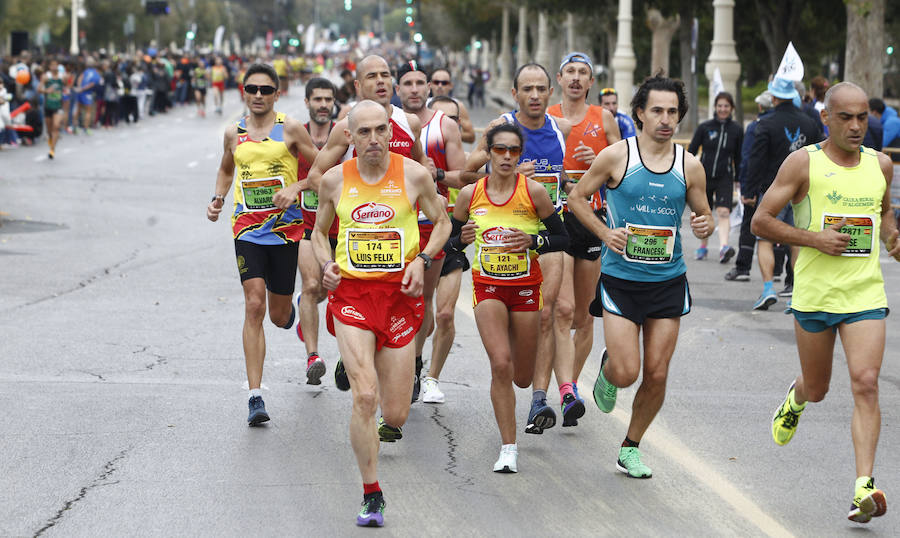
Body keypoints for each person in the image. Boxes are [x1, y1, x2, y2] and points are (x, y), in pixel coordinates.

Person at [752, 81, 900, 524]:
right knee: (818, 389)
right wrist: (813, 238)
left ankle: (863, 486)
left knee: (866, 382)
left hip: (864, 294)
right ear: (826, 118)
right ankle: (796, 400)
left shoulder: (882, 164)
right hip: (815, 295)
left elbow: (885, 211)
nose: (857, 127)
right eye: (846, 118)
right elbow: (761, 220)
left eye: (862, 118)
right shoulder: (803, 164)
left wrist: (893, 236)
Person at [311, 100, 450, 526]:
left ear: (391, 132)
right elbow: (318, 232)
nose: (374, 139)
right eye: (364, 132)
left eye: (381, 130)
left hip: (398, 298)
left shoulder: (414, 174)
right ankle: (372, 493)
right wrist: (327, 265)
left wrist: (422, 261)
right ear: (349, 137)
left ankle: (363, 367)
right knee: (365, 397)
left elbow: (442, 223)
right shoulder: (334, 181)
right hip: (352, 296)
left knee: (395, 413)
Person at [569, 73, 714, 478]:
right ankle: (610, 370)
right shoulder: (617, 157)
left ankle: (630, 447)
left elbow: (703, 214)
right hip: (620, 280)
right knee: (628, 370)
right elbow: (578, 198)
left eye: (672, 112)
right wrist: (604, 232)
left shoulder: (690, 166)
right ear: (639, 113)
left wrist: (706, 227)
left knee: (657, 372)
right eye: (657, 111)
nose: (666, 119)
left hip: (668, 281)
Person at [306, 55, 435, 406]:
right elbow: (318, 174)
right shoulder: (343, 128)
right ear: (358, 85)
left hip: (408, 229)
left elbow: (420, 163)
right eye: (371, 77)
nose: (381, 82)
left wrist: (427, 174)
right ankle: (357, 359)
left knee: (424, 305)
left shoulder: (408, 122)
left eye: (386, 75)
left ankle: (406, 365)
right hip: (356, 229)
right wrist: (348, 201)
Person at [448, 122, 568, 472]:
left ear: (520, 154)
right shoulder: (471, 195)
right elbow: (450, 243)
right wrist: (462, 240)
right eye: (499, 149)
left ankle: (523, 390)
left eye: (513, 150)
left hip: (527, 289)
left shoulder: (534, 193)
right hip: (488, 288)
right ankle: (508, 448)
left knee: (522, 376)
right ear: (488, 151)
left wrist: (534, 241)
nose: (506, 156)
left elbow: (562, 239)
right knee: (500, 363)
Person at [206, 63, 319, 425]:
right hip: (247, 230)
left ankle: (292, 313)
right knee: (253, 304)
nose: (258, 95)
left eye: (265, 90)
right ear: (243, 91)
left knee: (278, 314)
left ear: (276, 93)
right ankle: (255, 396)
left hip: (285, 232)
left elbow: (321, 172)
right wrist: (218, 198)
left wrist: (296, 187)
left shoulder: (291, 129)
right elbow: (227, 168)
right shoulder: (233, 133)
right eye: (252, 89)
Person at [463, 63, 573, 435]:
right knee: (519, 326)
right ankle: (513, 362)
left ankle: (538, 397)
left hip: (545, 230)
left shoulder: (563, 129)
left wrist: (573, 182)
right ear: (515, 93)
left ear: (550, 92)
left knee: (549, 313)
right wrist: (506, 175)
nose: (536, 95)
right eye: (528, 88)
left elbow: (569, 181)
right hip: (501, 230)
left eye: (542, 88)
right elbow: (467, 173)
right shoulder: (499, 127)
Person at [546, 51, 621, 423]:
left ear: (591, 83)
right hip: (557, 219)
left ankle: (572, 380)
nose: (576, 78)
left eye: (583, 73)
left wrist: (598, 159)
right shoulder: (547, 120)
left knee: (584, 316)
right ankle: (567, 391)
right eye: (570, 72)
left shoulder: (603, 118)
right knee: (561, 310)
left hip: (590, 218)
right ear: (559, 79)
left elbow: (621, 173)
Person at [396, 62, 467, 403]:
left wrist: (435, 174)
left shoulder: (445, 126)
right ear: (397, 89)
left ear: (429, 88)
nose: (413, 88)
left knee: (422, 301)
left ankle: (413, 363)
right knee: (394, 298)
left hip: (434, 225)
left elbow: (463, 176)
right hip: (392, 227)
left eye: (419, 82)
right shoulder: (385, 124)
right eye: (407, 83)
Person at [744, 77, 822, 310]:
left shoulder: (765, 124)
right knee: (796, 240)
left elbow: (755, 160)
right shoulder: (810, 123)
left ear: (774, 97)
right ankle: (797, 292)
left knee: (765, 239)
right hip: (803, 192)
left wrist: (749, 190)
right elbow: (819, 157)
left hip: (772, 191)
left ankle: (768, 288)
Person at [420, 95, 470, 403]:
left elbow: (468, 179)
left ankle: (432, 378)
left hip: (453, 231)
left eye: (454, 119)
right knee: (419, 313)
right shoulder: (412, 144)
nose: (448, 123)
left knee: (446, 314)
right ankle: (411, 364)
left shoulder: (459, 151)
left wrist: (436, 174)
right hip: (420, 233)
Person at [294, 78, 339, 385]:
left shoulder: (345, 136)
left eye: (328, 99)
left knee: (329, 290)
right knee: (312, 286)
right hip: (308, 227)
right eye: (317, 99)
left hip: (344, 228)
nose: (323, 104)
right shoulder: (296, 138)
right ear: (307, 102)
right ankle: (314, 356)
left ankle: (305, 311)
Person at [688, 91, 743, 263]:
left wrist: (738, 180)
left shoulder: (736, 130)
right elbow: (691, 151)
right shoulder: (705, 127)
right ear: (715, 107)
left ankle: (723, 247)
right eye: (720, 106)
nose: (723, 109)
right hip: (703, 176)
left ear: (731, 108)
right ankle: (703, 246)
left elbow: (739, 157)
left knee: (724, 211)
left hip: (725, 176)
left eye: (726, 106)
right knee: (704, 213)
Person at [725, 91, 774, 281]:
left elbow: (748, 158)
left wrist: (746, 188)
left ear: (760, 107)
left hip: (759, 184)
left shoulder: (757, 127)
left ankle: (743, 267)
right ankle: (781, 272)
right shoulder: (795, 123)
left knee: (750, 225)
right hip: (785, 186)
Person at [427, 67, 476, 143]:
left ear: (450, 86)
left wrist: (450, 134)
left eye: (444, 83)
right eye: (436, 82)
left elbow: (471, 136)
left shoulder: (458, 106)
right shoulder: (422, 105)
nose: (440, 86)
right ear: (430, 85)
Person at [38, 59, 64, 159]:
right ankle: (50, 138)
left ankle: (52, 150)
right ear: (49, 67)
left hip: (58, 106)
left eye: (55, 65)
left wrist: (65, 91)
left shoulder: (62, 77)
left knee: (56, 126)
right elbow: (39, 89)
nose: (54, 67)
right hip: (48, 105)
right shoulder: (46, 77)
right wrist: (46, 91)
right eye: (52, 65)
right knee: (49, 130)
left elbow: (67, 87)